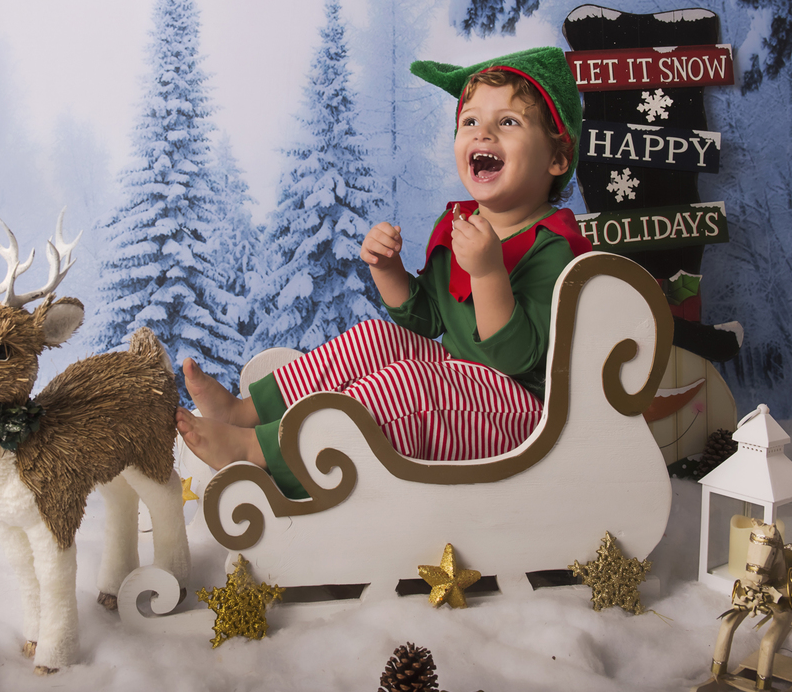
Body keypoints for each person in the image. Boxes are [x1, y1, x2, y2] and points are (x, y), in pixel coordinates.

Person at [177, 46, 592, 498]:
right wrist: (388, 268)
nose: (483, 134)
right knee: (377, 337)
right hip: (462, 383)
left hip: (518, 417)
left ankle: (260, 452)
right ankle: (244, 413)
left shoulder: (555, 248)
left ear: (557, 158)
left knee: (407, 385)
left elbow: (515, 360)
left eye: (508, 122)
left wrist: (489, 274)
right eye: (470, 121)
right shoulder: (459, 224)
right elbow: (426, 320)